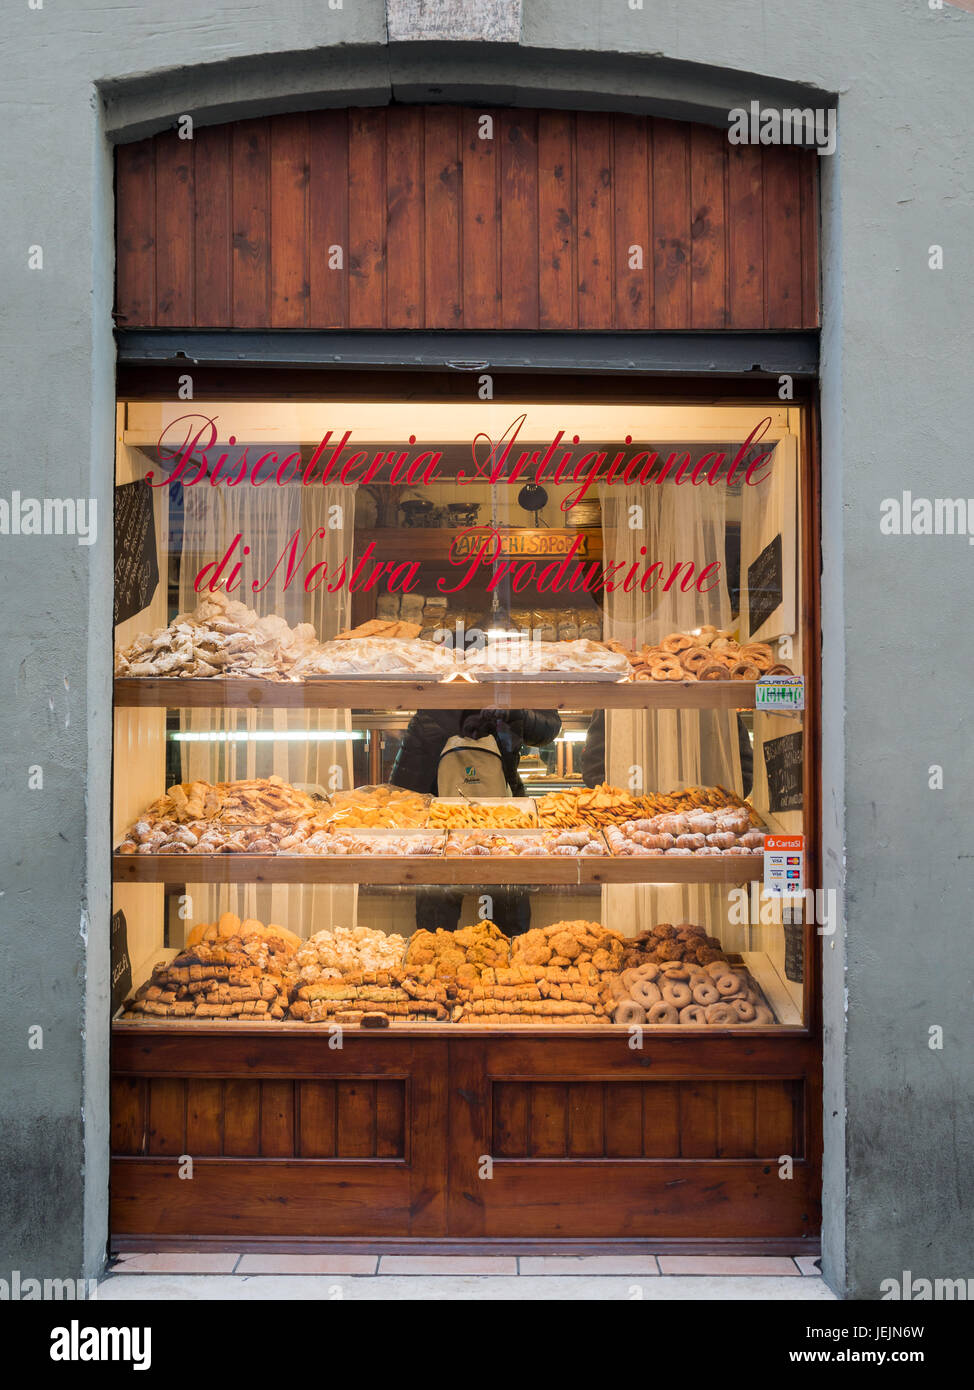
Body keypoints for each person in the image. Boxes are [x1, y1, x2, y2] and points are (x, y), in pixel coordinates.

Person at [390, 707, 561, 936]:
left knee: (441, 927)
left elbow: (548, 727)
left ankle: (449, 962)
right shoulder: (432, 712)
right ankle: (497, 959)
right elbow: (404, 789)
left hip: (485, 826)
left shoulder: (433, 709)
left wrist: (513, 710)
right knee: (447, 927)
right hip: (463, 830)